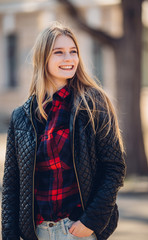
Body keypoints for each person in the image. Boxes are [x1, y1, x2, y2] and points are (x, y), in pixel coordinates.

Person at [1, 22, 126, 240]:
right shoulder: (21, 117)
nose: (69, 58)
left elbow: (114, 168)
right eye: (59, 52)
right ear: (43, 58)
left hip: (77, 231)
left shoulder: (93, 104)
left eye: (73, 51)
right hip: (36, 233)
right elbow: (12, 186)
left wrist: (90, 222)